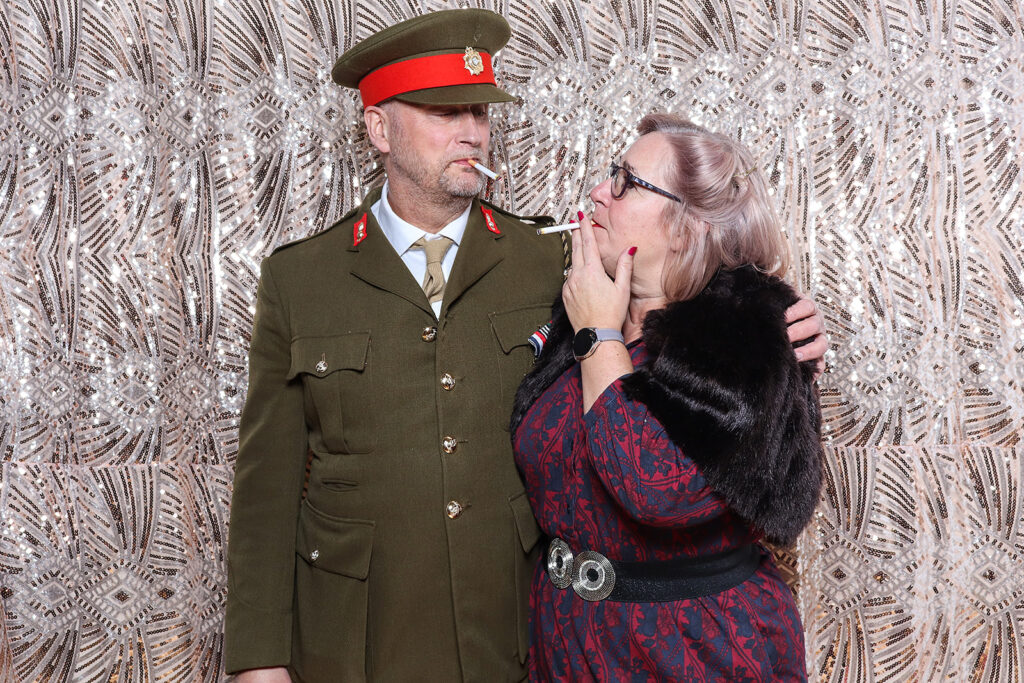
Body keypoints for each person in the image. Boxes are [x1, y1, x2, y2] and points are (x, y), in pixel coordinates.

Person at [224, 9, 827, 682]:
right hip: (364, 640)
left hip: (514, 640)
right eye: (444, 112)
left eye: (479, 112)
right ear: (379, 129)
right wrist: (258, 661)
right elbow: (267, 490)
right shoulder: (301, 279)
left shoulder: (554, 258)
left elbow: (694, 291)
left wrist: (781, 328)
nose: (472, 133)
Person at [511, 113, 824, 680]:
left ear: (687, 229)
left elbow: (651, 488)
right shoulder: (580, 303)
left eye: (625, 182)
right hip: (566, 645)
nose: (598, 191)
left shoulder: (743, 338)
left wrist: (597, 336)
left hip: (691, 649)